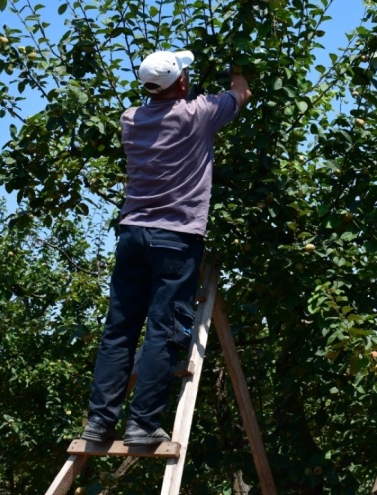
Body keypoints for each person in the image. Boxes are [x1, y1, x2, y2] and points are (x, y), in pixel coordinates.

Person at [81, 50, 251, 445]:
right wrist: (237, 68)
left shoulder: (129, 119)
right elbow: (240, 93)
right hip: (175, 237)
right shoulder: (199, 113)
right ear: (181, 82)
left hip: (132, 235)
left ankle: (99, 422)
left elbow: (165, 106)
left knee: (119, 329)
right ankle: (142, 425)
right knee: (165, 329)